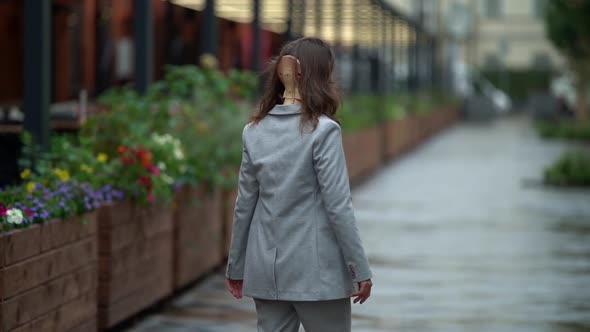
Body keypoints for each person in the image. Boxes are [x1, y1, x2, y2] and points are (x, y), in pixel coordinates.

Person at [225, 37, 373, 332]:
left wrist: (237, 267)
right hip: (318, 274)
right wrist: (359, 268)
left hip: (267, 272)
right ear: (321, 75)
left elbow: (245, 205)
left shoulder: (253, 131)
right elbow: (338, 206)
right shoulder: (324, 131)